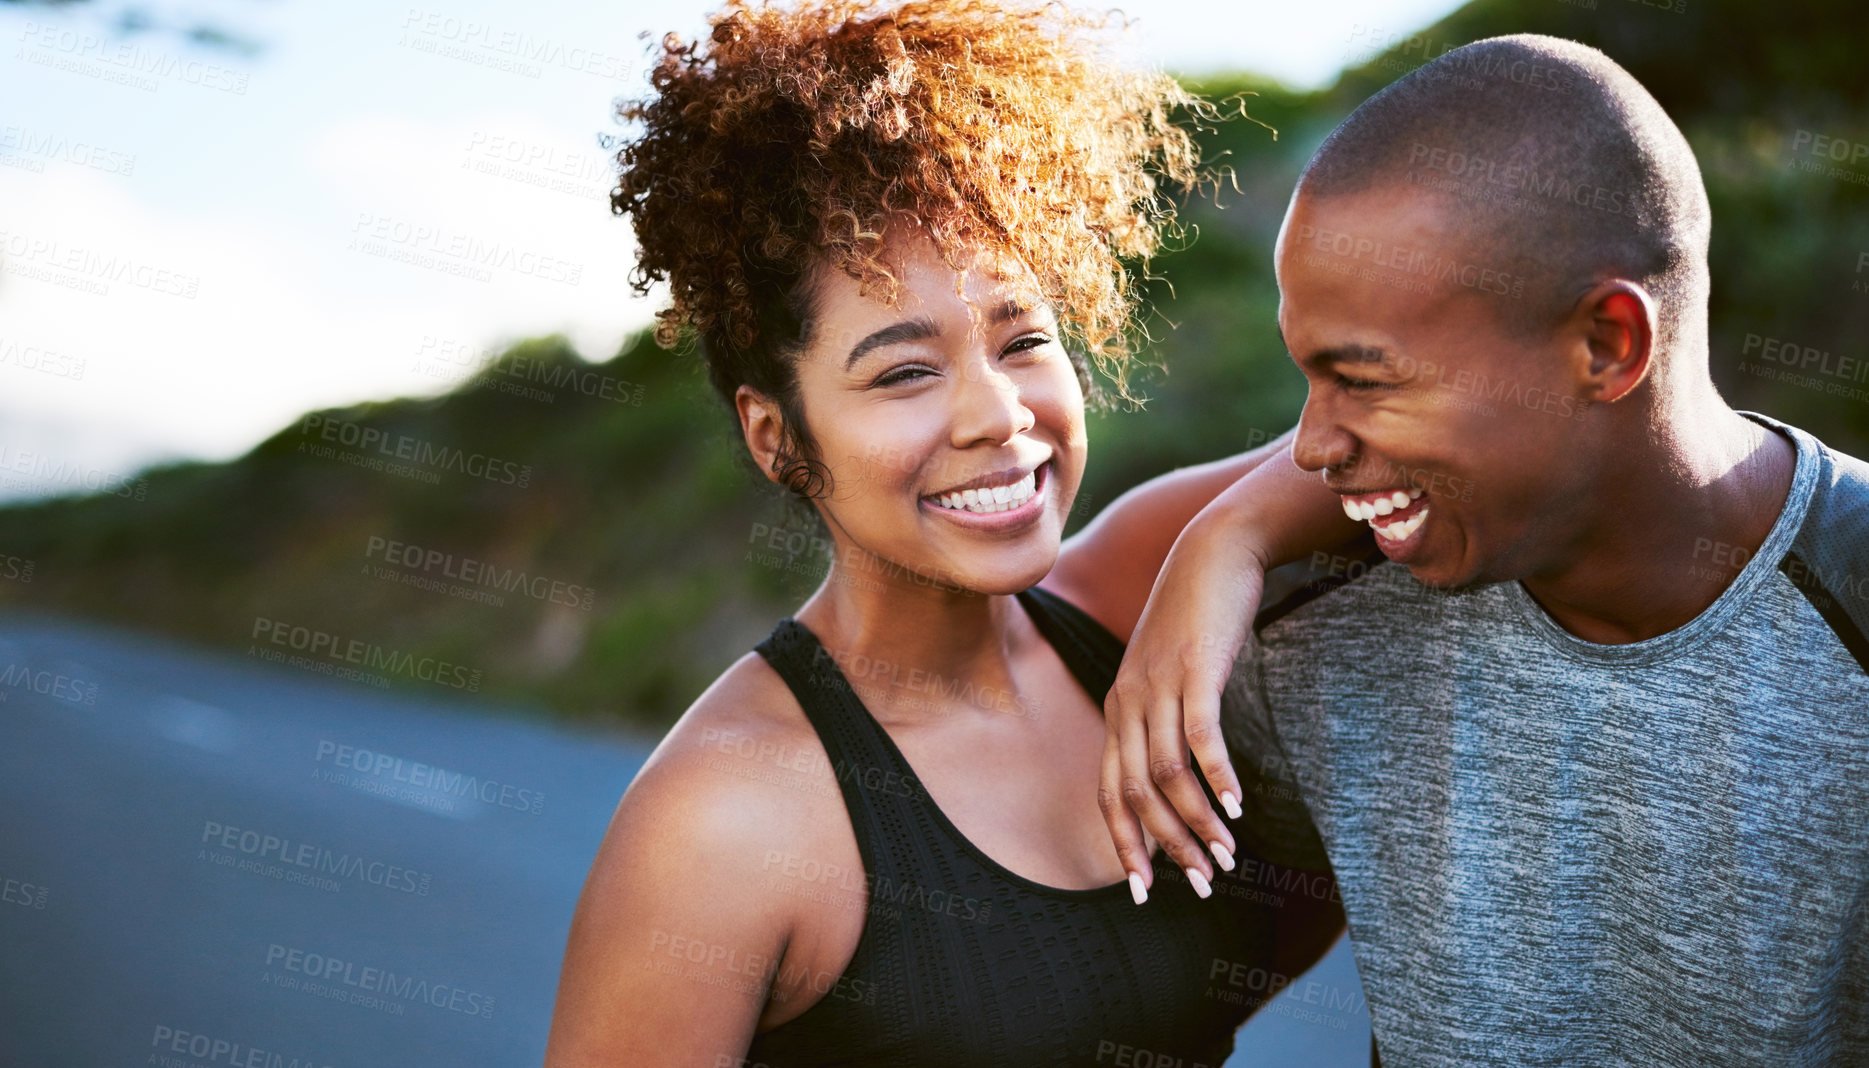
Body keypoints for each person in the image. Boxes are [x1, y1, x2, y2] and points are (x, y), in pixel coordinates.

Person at [544, 2, 1351, 1064]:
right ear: (776, 434)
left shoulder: (1134, 587)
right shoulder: (725, 818)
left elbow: (1434, 429)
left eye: (1023, 339)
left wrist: (1228, 542)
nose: (997, 414)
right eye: (905, 371)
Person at [1100, 33, 1869, 1066]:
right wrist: (1223, 534)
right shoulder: (1303, 631)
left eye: (1364, 380)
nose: (1315, 443)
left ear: (1607, 344)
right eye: (1307, 380)